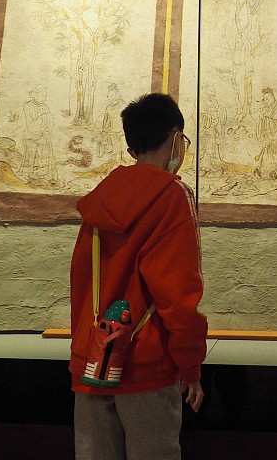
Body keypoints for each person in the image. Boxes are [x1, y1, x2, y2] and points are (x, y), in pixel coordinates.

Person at [69, 92, 207, 460]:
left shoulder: (102, 196)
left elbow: (81, 283)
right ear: (177, 139)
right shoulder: (172, 196)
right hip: (146, 361)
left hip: (93, 361)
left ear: (131, 149)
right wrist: (190, 364)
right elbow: (178, 292)